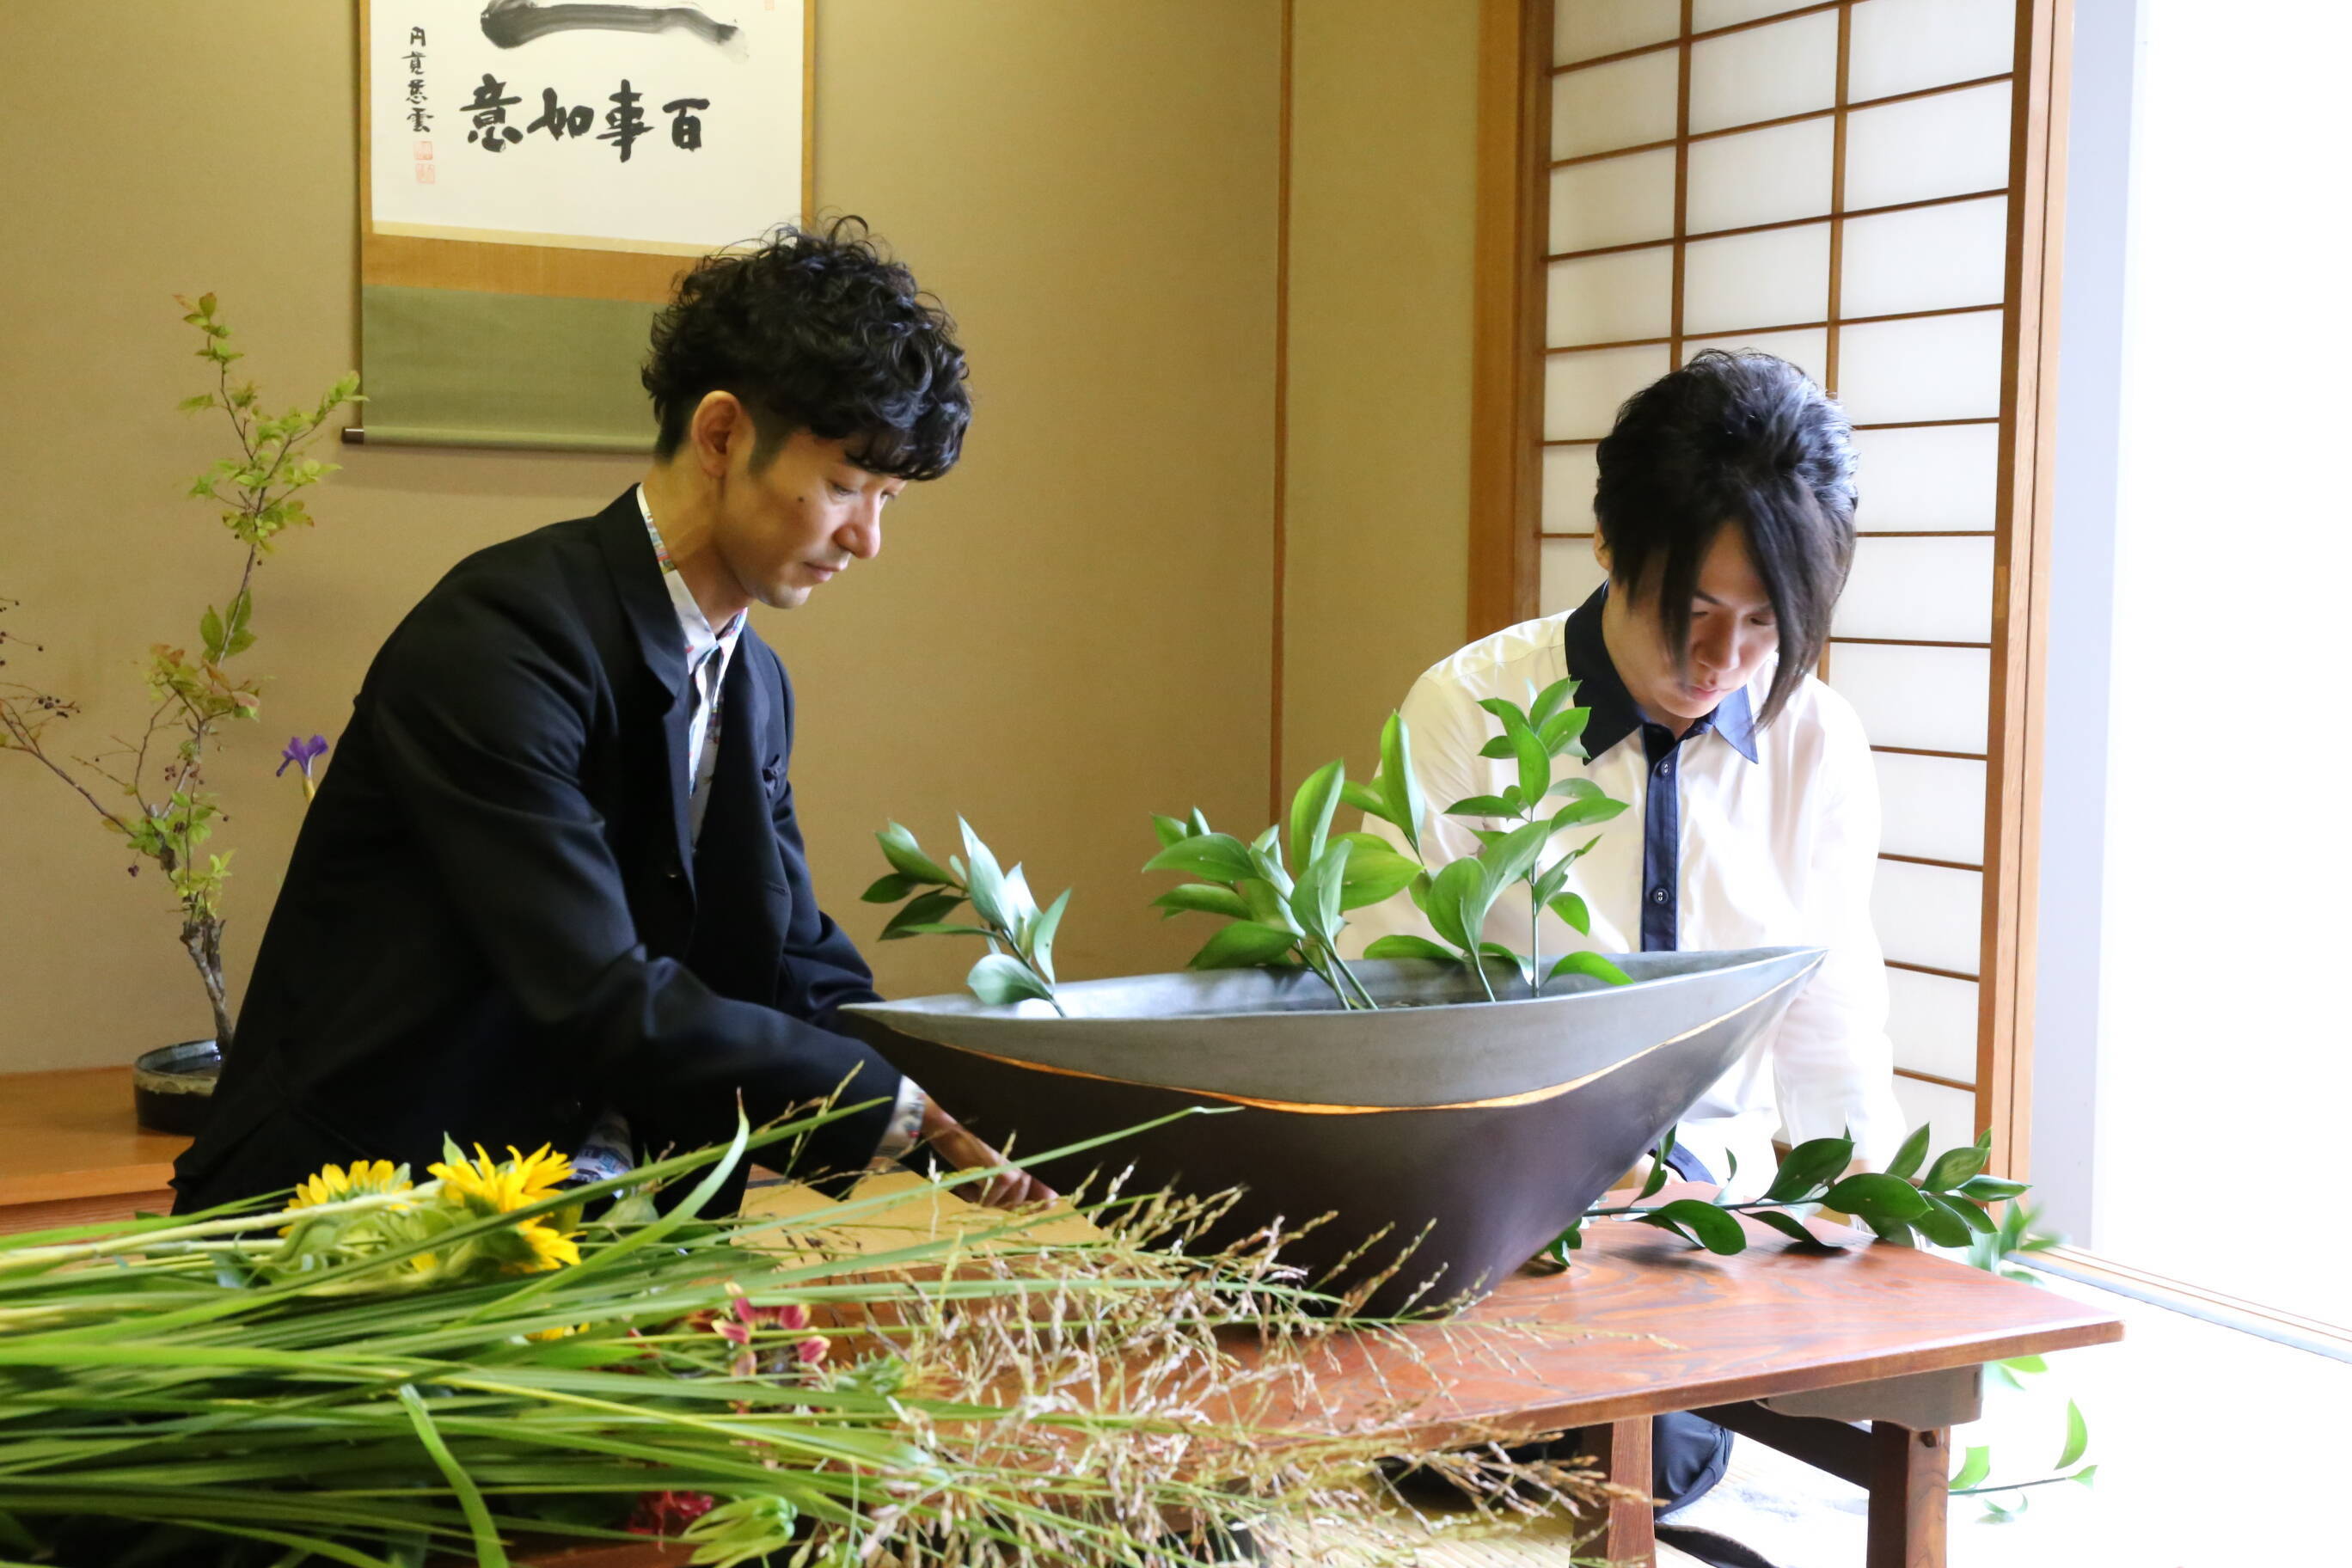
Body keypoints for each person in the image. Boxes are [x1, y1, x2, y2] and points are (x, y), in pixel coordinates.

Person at [173, 219, 1048, 1217]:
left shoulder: (753, 681)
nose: (867, 538)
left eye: (888, 498)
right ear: (721, 436)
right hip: (360, 1215)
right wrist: (884, 1106)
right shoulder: (502, 638)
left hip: (587, 1221)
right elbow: (592, 987)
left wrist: (968, 1094)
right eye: (847, 487)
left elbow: (791, 961)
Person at [1349, 350, 1907, 1524]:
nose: (1723, 662)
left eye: (1764, 624)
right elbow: (1383, 990)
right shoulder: (1470, 708)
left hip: (1701, 1229)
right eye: (1691, 612)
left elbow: (1830, 1008)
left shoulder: (1819, 742)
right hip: (1494, 1204)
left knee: (1659, 1456)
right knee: (1457, 1446)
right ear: (1608, 545)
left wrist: (1870, 1212)